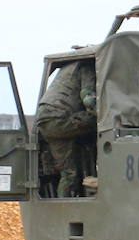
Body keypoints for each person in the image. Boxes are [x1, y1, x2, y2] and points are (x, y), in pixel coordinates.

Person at [34, 60, 97, 198]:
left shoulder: (68, 67)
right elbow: (89, 100)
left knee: (69, 173)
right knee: (99, 121)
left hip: (45, 122)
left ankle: (64, 207)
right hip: (60, 119)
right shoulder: (86, 66)